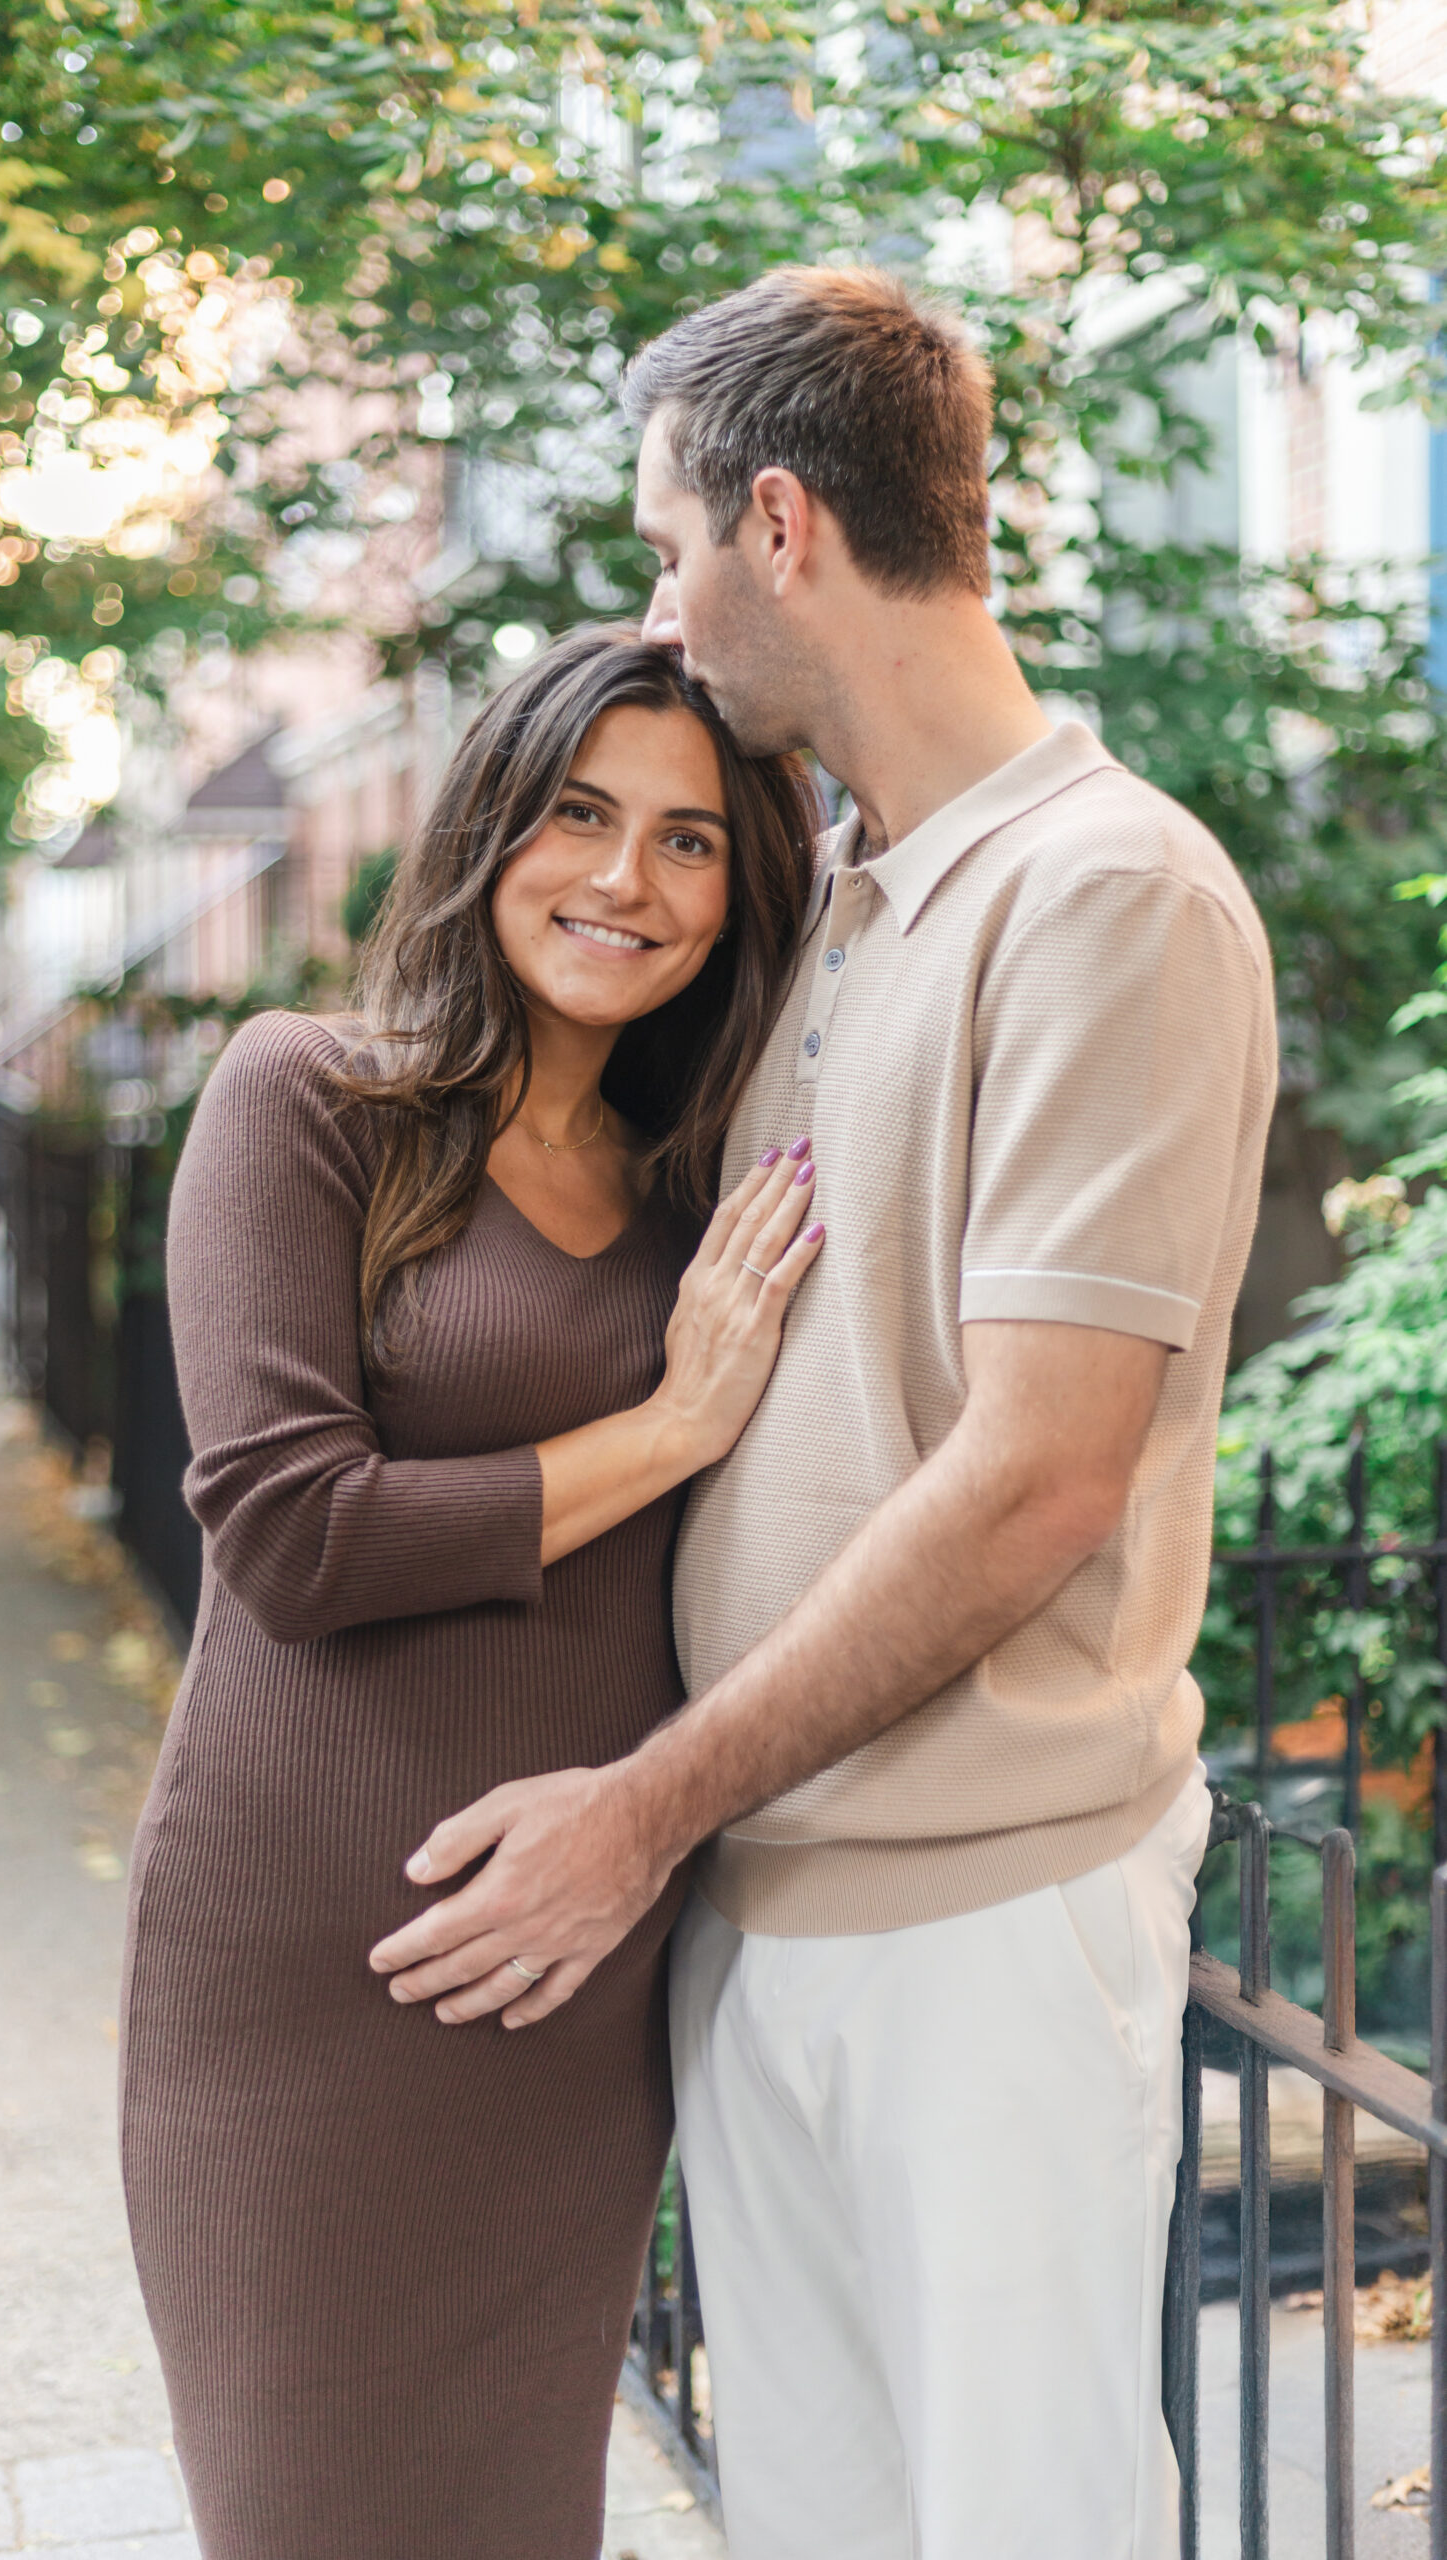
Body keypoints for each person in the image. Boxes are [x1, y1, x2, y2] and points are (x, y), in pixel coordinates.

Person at [369, 269, 1279, 2559]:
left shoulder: (1100, 893)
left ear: (775, 524)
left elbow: (1038, 1469)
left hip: (975, 1909)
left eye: (662, 544)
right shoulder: (854, 898)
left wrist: (634, 1807)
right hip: (766, 1902)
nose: (655, 608)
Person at [120, 628, 824, 2560]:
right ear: (490, 824)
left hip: (575, 1954)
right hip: (316, 1957)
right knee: (311, 2510)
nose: (626, 878)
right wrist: (672, 1426)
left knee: (525, 2516)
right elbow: (291, 1533)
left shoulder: (705, 1190)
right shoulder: (308, 1102)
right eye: (582, 813)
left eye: (691, 841)